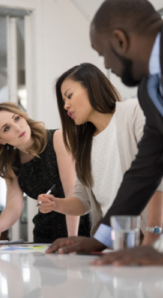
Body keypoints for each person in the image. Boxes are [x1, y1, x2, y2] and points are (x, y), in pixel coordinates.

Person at [46, 0, 163, 265]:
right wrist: (102, 239)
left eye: (104, 53)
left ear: (120, 40)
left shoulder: (135, 108)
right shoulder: (149, 92)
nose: (107, 65)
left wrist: (156, 244)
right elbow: (145, 171)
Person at [38, 63, 163, 246]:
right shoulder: (83, 145)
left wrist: (152, 236)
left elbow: (157, 175)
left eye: (69, 96)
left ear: (91, 86)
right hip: (115, 244)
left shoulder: (135, 112)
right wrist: (56, 204)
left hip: (152, 241)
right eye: (63, 101)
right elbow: (83, 201)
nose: (66, 106)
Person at [0, 103, 91, 246]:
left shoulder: (58, 139)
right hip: (43, 238)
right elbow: (13, 207)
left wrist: (72, 240)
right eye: (6, 128)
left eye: (17, 118)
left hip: (79, 233)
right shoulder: (12, 163)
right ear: (0, 140)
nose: (17, 128)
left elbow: (71, 192)